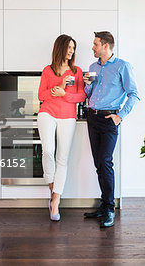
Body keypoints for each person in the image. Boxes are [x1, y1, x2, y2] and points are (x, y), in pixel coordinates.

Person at [83, 31, 140, 228]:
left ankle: (109, 209)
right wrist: (87, 85)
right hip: (92, 117)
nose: (92, 47)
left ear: (106, 46)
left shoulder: (122, 66)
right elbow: (89, 94)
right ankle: (104, 204)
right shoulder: (92, 67)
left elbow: (134, 94)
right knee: (99, 163)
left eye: (95, 44)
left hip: (109, 119)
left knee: (106, 162)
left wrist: (120, 116)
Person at [37, 34, 86, 221]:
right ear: (60, 48)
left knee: (62, 159)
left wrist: (65, 94)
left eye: (73, 48)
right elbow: (41, 95)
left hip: (68, 116)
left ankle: (55, 201)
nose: (72, 51)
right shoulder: (48, 70)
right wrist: (55, 89)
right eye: (69, 47)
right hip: (47, 112)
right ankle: (52, 186)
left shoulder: (77, 71)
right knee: (48, 152)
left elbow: (81, 96)